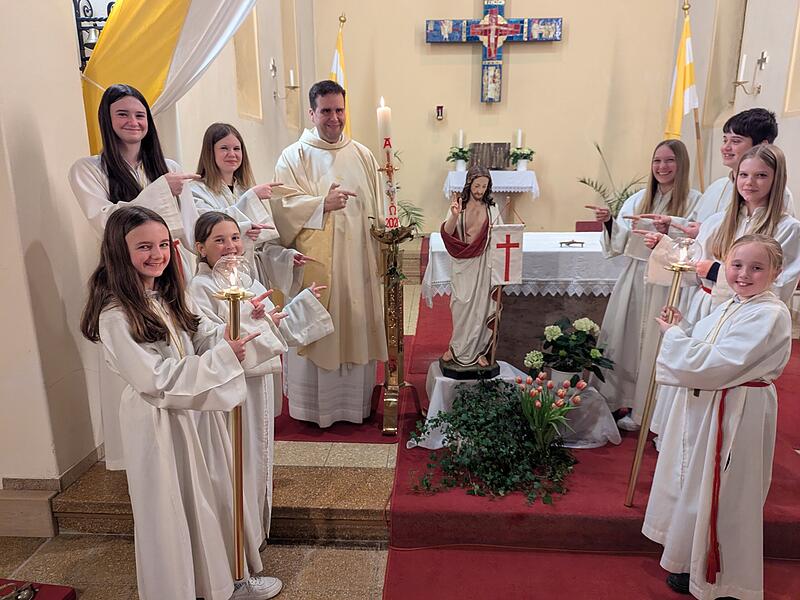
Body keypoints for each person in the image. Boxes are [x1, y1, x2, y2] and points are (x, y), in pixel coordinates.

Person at [79, 206, 285, 600]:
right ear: (119, 251)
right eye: (144, 247)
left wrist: (243, 326)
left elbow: (202, 336)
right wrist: (222, 359)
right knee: (175, 509)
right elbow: (155, 379)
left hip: (196, 414)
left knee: (213, 497)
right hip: (160, 422)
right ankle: (183, 590)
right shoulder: (115, 315)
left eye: (162, 245)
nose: (157, 254)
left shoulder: (165, 295)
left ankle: (225, 582)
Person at [643, 234, 792, 600]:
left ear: (776, 272)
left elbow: (721, 362)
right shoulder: (735, 304)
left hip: (738, 410)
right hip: (716, 406)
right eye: (736, 265)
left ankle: (720, 578)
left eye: (756, 268)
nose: (743, 274)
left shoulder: (769, 313)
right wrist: (683, 328)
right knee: (701, 487)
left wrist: (674, 338)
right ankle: (692, 561)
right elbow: (709, 344)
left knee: (727, 493)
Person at [69, 83, 199, 470]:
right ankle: (138, 457)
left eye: (140, 114)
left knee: (178, 346)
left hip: (170, 269)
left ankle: (186, 437)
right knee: (138, 361)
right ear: (107, 120)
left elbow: (188, 225)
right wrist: (159, 191)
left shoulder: (167, 166)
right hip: (126, 276)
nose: (133, 121)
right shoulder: (88, 169)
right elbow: (105, 221)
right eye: (123, 114)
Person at [187, 211, 333, 548]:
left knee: (258, 454)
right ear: (200, 247)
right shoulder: (200, 287)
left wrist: (296, 306)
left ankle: (256, 531)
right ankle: (238, 539)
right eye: (219, 240)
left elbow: (269, 323)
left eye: (234, 238)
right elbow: (205, 339)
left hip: (258, 382)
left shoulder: (244, 277)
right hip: (232, 387)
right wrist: (250, 320)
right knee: (239, 457)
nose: (230, 246)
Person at [642, 144, 800, 436]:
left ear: (777, 179)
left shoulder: (787, 228)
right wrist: (666, 250)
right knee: (691, 378)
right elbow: (693, 268)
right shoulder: (718, 221)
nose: (750, 183)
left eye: (761, 175)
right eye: (744, 175)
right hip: (702, 308)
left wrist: (716, 272)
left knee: (718, 377)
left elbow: (779, 284)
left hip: (746, 317)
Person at [271, 80, 387, 427]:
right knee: (322, 326)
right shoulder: (294, 156)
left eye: (339, 110)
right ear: (312, 113)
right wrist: (322, 204)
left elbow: (379, 206)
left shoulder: (363, 154)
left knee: (354, 321)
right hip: (318, 263)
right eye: (326, 111)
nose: (334, 118)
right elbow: (282, 207)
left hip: (358, 262)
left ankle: (355, 404)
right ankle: (315, 409)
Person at [586, 140, 701, 427]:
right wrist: (609, 221)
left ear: (682, 163)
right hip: (636, 276)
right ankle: (619, 400)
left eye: (669, 160)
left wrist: (669, 229)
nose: (662, 167)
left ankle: (652, 410)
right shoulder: (639, 199)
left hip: (669, 282)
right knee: (625, 338)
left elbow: (699, 243)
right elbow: (621, 241)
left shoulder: (695, 201)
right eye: (657, 161)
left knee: (655, 343)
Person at [191, 123, 306, 294]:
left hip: (252, 273)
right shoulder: (196, 190)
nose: (232, 154)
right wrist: (249, 202)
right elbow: (205, 229)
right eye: (224, 148)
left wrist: (286, 258)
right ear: (210, 152)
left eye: (237, 149)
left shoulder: (245, 190)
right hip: (218, 274)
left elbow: (264, 245)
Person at [440, 166, 501, 368]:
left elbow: (500, 238)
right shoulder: (459, 206)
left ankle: (478, 351)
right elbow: (447, 233)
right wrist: (454, 215)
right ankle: (456, 348)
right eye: (477, 186)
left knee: (480, 310)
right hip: (462, 264)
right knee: (460, 305)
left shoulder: (492, 209)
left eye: (484, 186)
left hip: (484, 265)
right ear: (469, 184)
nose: (480, 190)